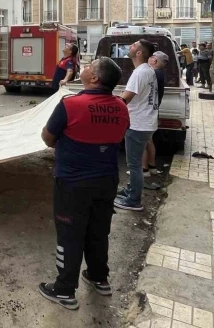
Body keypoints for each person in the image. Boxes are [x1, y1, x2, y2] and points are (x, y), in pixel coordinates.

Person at [38, 57, 130, 310]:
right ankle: (99, 278)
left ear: (94, 78)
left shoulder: (71, 105)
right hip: (107, 181)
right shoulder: (121, 107)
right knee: (99, 231)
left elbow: (47, 138)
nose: (86, 66)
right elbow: (118, 135)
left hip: (72, 183)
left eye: (91, 65)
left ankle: (65, 290)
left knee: (69, 234)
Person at [115, 39, 158, 211]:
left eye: (133, 46)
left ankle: (134, 200)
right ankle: (131, 190)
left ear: (139, 53)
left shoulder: (140, 73)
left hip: (138, 124)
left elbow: (126, 98)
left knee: (134, 165)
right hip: (145, 122)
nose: (130, 47)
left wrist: (109, 103)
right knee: (134, 164)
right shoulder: (147, 71)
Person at [143, 51, 167, 177]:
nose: (148, 60)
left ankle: (144, 170)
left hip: (147, 111)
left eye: (150, 58)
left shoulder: (153, 73)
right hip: (153, 110)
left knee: (142, 141)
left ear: (155, 61)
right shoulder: (159, 74)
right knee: (149, 140)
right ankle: (151, 167)